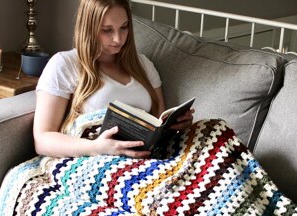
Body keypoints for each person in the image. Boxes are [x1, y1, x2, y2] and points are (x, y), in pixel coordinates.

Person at [33, 0, 194, 159]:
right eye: (107, 30)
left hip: (145, 156)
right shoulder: (65, 63)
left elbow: (159, 123)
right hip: (94, 157)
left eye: (124, 27)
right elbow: (42, 140)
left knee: (212, 129)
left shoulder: (143, 65)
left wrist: (176, 126)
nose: (118, 39)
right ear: (88, 28)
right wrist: (97, 147)